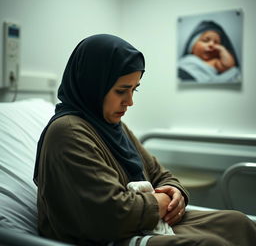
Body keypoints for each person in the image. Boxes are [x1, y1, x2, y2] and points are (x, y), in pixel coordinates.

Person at [33, 34, 256, 246]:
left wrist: (175, 192)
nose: (129, 102)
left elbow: (160, 174)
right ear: (93, 85)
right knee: (210, 244)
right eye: (121, 91)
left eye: (134, 90)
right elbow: (110, 213)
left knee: (239, 223)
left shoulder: (113, 127)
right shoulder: (68, 132)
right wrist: (159, 203)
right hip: (107, 235)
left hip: (146, 220)